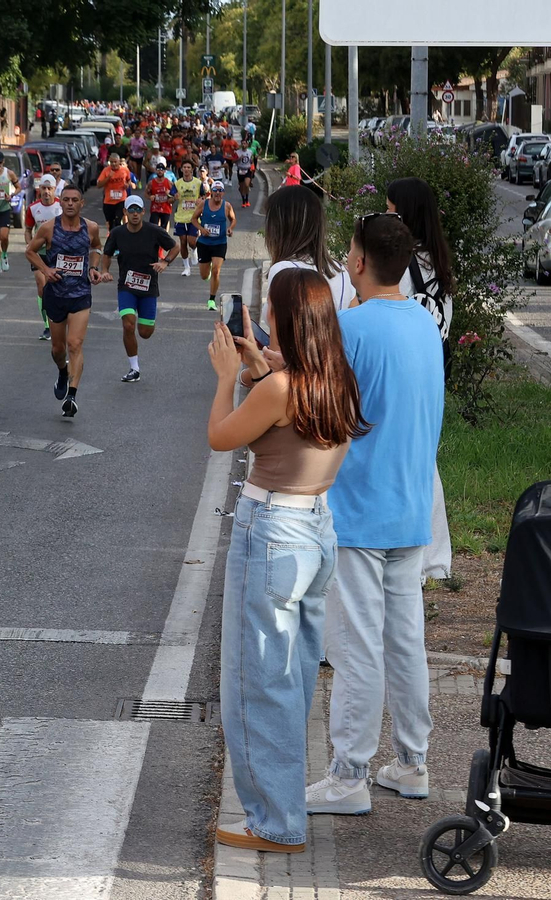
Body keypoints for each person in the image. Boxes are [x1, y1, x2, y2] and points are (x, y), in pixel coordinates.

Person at [210, 270, 367, 856]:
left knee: (257, 681)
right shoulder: (337, 380)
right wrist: (260, 363)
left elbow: (221, 437)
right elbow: (286, 393)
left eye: (270, 309)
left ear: (285, 318)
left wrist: (229, 378)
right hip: (316, 530)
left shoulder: (278, 389)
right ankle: (284, 806)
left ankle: (274, 822)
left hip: (270, 530)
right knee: (292, 676)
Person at [306, 213, 445, 816]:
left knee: (357, 645)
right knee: (405, 640)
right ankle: (412, 762)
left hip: (357, 507)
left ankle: (347, 775)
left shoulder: (348, 326)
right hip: (412, 505)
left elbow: (318, 410)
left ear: (358, 263)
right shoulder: (426, 323)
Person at [387, 177, 456, 583]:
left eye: (391, 209)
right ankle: (434, 557)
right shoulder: (440, 260)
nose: (386, 216)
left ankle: (418, 555)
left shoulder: (402, 264)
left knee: (405, 461)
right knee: (423, 460)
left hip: (403, 371)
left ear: (405, 213)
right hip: (431, 372)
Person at [24, 183, 103, 418]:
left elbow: (97, 248)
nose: (69, 204)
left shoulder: (91, 228)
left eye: (74, 200)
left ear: (81, 203)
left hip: (80, 295)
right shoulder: (49, 228)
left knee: (75, 344)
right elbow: (30, 251)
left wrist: (94, 267)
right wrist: (46, 269)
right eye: (66, 200)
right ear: (61, 202)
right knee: (58, 349)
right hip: (56, 295)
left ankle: (72, 395)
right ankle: (62, 371)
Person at [100, 196, 176, 383]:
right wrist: (104, 271)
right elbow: (107, 254)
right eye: (130, 210)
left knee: (145, 332)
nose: (134, 214)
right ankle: (134, 368)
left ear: (143, 212)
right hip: (126, 286)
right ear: (125, 212)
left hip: (149, 287)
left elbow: (175, 247)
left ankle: (148, 322)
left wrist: (165, 262)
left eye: (138, 210)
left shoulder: (154, 231)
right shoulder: (117, 233)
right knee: (128, 324)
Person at [263, 185, 355, 323]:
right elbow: (353, 322)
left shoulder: (283, 270)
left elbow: (282, 332)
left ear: (279, 228)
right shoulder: (340, 271)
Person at [25, 174, 65, 342]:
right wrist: (30, 245)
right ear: (38, 189)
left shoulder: (61, 207)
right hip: (39, 253)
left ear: (55, 190)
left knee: (59, 288)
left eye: (50, 189)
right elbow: (28, 229)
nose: (46, 192)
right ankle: (48, 326)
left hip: (57, 253)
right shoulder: (33, 208)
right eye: (43, 188)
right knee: (42, 286)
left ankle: (61, 321)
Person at [196, 180, 237, 311]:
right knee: (204, 275)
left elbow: (233, 219)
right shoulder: (204, 204)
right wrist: (201, 229)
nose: (218, 193)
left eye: (220, 190)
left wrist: (230, 228)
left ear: (223, 193)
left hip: (220, 243)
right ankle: (207, 272)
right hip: (204, 243)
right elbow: (193, 219)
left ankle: (211, 300)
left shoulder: (227, 206)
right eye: (215, 190)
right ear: (211, 192)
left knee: (216, 271)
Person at [172, 161, 206, 277]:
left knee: (191, 241)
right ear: (181, 169)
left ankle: (194, 249)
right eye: (184, 167)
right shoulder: (177, 183)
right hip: (180, 217)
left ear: (192, 170)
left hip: (194, 217)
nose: (186, 169)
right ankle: (187, 267)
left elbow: (204, 196)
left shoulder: (197, 183)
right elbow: (170, 199)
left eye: (188, 167)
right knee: (183, 241)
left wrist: (200, 201)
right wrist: (174, 198)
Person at [96, 153, 134, 230]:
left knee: (117, 220)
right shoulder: (106, 171)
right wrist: (108, 177)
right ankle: (113, 237)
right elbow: (99, 185)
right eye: (111, 162)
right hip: (108, 201)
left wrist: (127, 184)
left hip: (121, 200)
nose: (113, 164)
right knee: (110, 224)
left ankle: (118, 238)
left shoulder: (125, 170)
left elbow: (129, 180)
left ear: (119, 161)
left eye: (115, 162)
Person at [146, 162, 175, 231]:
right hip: (155, 208)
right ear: (156, 171)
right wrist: (150, 197)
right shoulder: (151, 182)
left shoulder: (169, 182)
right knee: (153, 227)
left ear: (165, 171)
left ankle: (163, 240)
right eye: (158, 169)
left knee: (163, 229)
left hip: (166, 208)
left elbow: (175, 195)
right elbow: (146, 193)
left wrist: (170, 194)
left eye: (162, 170)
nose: (160, 171)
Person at [235, 141, 256, 208]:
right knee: (241, 187)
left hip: (247, 170)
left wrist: (252, 163)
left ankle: (246, 199)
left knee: (246, 185)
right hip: (240, 170)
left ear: (247, 145)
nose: (243, 145)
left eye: (245, 143)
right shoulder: (238, 152)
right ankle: (243, 200)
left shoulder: (250, 152)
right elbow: (233, 161)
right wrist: (239, 158)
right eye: (242, 143)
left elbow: (252, 160)